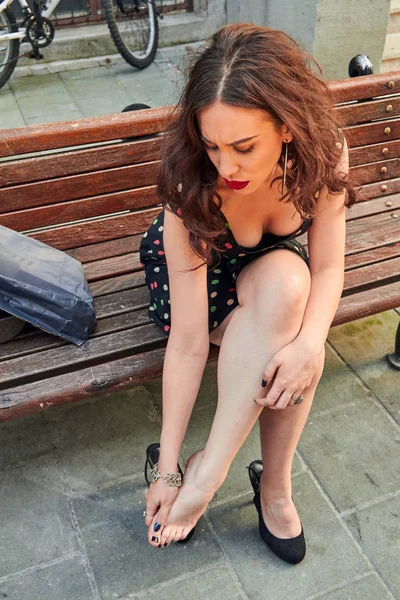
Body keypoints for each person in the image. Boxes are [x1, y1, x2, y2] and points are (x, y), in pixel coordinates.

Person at [139, 22, 356, 563]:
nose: (226, 166)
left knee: (291, 293)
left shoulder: (324, 152)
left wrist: (312, 345)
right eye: (212, 145)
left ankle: (229, 476)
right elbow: (189, 344)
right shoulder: (194, 190)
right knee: (279, 328)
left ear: (286, 127)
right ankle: (219, 479)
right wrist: (167, 467)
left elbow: (329, 265)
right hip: (196, 282)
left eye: (243, 146)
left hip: (271, 275)